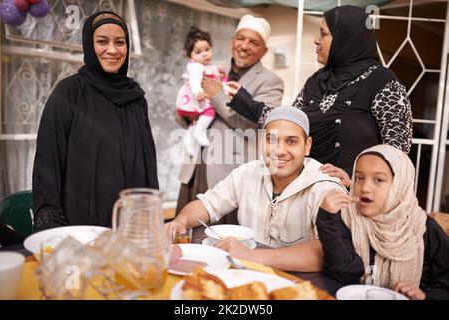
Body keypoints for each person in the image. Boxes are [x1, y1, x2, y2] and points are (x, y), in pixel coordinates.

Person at [226, 5, 412, 188]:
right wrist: (241, 99)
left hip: (354, 198)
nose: (316, 40)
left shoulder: (381, 81)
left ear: (345, 38)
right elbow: (290, 122)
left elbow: (398, 150)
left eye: (323, 34)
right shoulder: (316, 81)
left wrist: (353, 175)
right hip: (308, 191)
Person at [167, 106, 346, 272]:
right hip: (247, 276)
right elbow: (207, 204)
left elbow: (329, 252)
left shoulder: (326, 187)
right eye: (271, 140)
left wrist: (251, 256)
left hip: (300, 285)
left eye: (291, 141)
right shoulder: (248, 172)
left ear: (307, 146)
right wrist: (181, 221)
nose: (279, 150)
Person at [32, 11, 159, 231]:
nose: (112, 50)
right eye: (102, 41)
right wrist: (53, 228)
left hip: (130, 231)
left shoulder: (136, 99)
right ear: (89, 45)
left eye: (120, 42)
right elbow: (48, 164)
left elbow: (148, 168)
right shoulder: (69, 93)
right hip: (79, 230)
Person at [175, 15, 284, 223]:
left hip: (229, 175)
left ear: (264, 50)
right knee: (185, 234)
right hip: (194, 167)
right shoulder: (211, 66)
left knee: (219, 242)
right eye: (240, 39)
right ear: (232, 41)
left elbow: (256, 125)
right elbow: (186, 110)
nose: (244, 46)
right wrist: (185, 111)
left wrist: (217, 96)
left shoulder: (271, 82)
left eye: (254, 42)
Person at [317, 144, 449, 300]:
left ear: (400, 184)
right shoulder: (347, 218)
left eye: (378, 179)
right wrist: (326, 220)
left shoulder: (425, 228)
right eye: (359, 178)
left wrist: (425, 296)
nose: (365, 187)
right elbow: (346, 271)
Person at [176, 26, 227, 156]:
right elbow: (194, 81)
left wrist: (221, 75)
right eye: (198, 52)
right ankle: (199, 131)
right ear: (190, 56)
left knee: (196, 120)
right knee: (210, 111)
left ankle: (189, 138)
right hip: (197, 97)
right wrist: (198, 91)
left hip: (200, 98)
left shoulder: (208, 66)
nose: (204, 54)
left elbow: (218, 80)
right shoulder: (196, 67)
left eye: (207, 49)